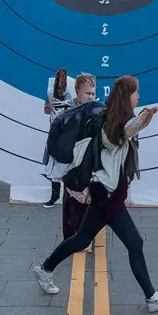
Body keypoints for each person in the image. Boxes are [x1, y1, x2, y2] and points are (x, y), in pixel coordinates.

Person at [31, 76, 158, 313]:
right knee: (134, 242)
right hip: (108, 193)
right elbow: (120, 136)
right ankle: (152, 297)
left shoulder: (113, 117)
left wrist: (141, 118)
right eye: (136, 92)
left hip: (107, 190)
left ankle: (45, 269)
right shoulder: (109, 120)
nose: (138, 96)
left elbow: (126, 132)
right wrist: (145, 117)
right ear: (126, 95)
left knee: (82, 238)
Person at [61, 73, 100, 239]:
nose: (91, 97)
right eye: (87, 93)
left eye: (93, 93)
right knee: (71, 204)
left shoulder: (97, 109)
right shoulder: (69, 110)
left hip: (89, 165)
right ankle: (70, 238)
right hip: (72, 166)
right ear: (77, 91)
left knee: (87, 203)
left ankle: (84, 237)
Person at [43, 69, 75, 208]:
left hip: (68, 134)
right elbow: (46, 109)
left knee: (69, 164)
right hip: (55, 132)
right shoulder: (51, 91)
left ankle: (71, 196)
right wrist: (50, 105)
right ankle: (55, 195)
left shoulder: (72, 95)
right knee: (53, 163)